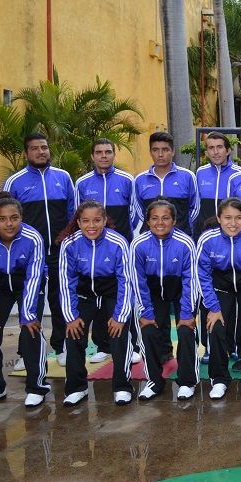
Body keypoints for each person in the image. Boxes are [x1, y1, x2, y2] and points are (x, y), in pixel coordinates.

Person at [4, 133, 75, 366]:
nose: (41, 152)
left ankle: (61, 346)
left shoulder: (63, 178)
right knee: (30, 302)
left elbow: (72, 215)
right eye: (35, 148)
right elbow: (5, 218)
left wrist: (66, 244)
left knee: (59, 300)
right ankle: (28, 352)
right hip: (29, 256)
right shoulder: (15, 182)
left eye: (44, 147)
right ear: (27, 153)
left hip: (58, 253)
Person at [0, 193, 49, 408]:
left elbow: (34, 277)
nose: (9, 223)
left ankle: (37, 387)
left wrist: (28, 315)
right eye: (2, 218)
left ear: (21, 218)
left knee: (30, 330)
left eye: (14, 218)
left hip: (27, 282)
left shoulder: (33, 238)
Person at [58, 200, 134, 406]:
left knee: (119, 336)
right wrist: (70, 317)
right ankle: (76, 388)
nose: (91, 226)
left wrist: (120, 316)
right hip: (85, 294)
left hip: (112, 292)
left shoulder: (118, 242)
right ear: (78, 222)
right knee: (74, 336)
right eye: (86, 221)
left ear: (104, 220)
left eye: (96, 220)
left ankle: (122, 387)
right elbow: (66, 282)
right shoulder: (69, 243)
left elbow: (126, 282)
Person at [195, 197, 241, 400]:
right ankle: (218, 379)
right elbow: (202, 275)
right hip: (220, 288)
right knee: (216, 327)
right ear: (218, 218)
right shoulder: (207, 239)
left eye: (238, 218)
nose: (233, 223)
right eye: (227, 218)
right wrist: (213, 307)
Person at [75, 138, 137, 366]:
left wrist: (122, 238)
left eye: (108, 152)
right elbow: (77, 214)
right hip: (92, 250)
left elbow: (135, 212)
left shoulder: (127, 180)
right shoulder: (82, 183)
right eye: (99, 152)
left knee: (124, 297)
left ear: (114, 154)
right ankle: (103, 346)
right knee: (99, 300)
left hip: (121, 249)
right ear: (92, 156)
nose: (104, 156)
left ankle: (131, 345)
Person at [129, 200, 200, 400]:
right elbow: (138, 281)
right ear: (148, 221)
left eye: (165, 218)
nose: (160, 222)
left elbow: (190, 281)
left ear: (174, 221)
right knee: (148, 329)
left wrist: (186, 314)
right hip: (152, 293)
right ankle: (154, 380)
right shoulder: (138, 244)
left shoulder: (185, 243)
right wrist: (146, 312)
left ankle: (187, 382)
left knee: (186, 330)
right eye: (154, 218)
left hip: (179, 290)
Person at [194, 131, 241, 363]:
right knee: (210, 296)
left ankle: (233, 345)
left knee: (234, 301)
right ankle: (210, 346)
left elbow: (239, 210)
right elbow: (195, 208)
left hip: (231, 241)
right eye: (211, 148)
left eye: (219, 147)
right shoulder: (199, 174)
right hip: (208, 241)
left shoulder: (239, 175)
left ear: (228, 150)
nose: (215, 151)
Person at [133, 131, 199, 235]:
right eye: (155, 150)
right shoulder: (140, 180)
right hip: (150, 240)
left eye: (165, 150)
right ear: (150, 152)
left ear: (173, 151)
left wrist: (182, 229)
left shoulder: (188, 176)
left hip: (180, 239)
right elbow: (139, 211)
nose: (160, 154)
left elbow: (195, 208)